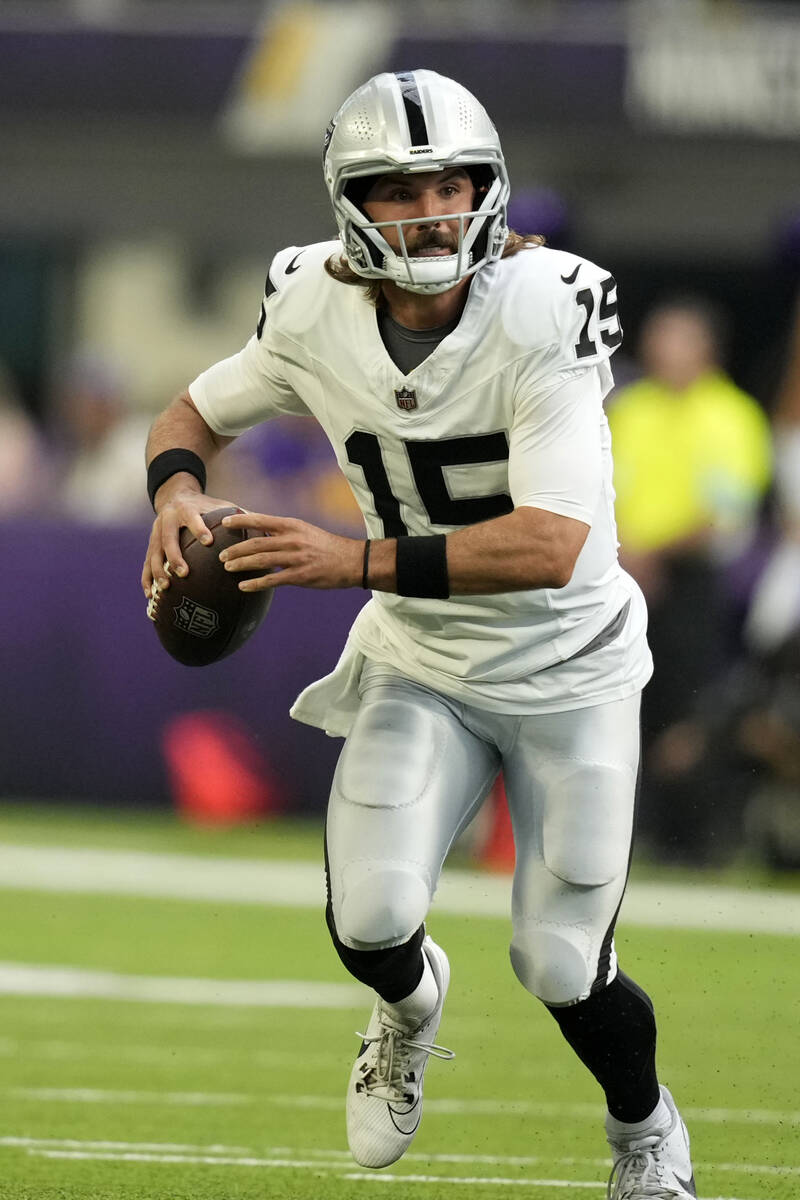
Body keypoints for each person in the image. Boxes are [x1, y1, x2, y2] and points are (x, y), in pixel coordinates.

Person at [141, 70, 696, 1199]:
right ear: (352, 207)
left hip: (567, 667)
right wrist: (172, 494)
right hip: (423, 660)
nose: (432, 210)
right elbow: (192, 410)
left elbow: (546, 544)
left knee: (557, 962)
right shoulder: (309, 304)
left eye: (451, 183)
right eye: (399, 191)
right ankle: (405, 1008)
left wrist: (344, 559)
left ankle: (642, 1133)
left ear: (486, 190)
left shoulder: (544, 306)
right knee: (370, 916)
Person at [607, 300, 772, 860]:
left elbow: (726, 511)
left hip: (690, 582)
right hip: (619, 571)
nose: (662, 351)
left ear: (705, 349)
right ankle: (629, 836)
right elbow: (596, 485)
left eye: (677, 339)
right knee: (621, 704)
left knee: (690, 710)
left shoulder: (733, 415)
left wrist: (652, 551)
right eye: (657, 338)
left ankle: (697, 840)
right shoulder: (630, 408)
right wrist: (627, 550)